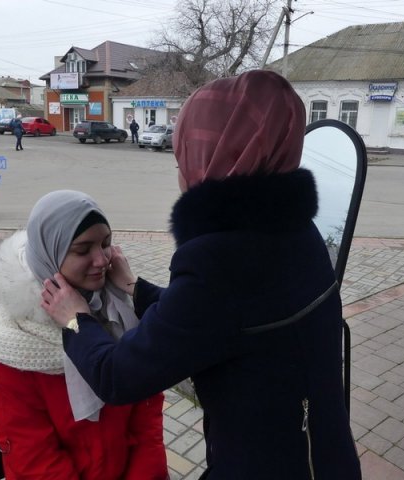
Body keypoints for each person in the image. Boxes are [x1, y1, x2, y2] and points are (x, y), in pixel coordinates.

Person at [42, 70, 362, 479]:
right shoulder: (298, 232)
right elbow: (218, 323)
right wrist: (134, 287)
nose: (181, 172)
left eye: (184, 157)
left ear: (215, 158)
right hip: (324, 454)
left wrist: (75, 319)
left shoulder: (218, 262)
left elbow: (117, 376)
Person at [0, 190, 168, 480]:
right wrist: (80, 323)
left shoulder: (120, 313)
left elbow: (147, 416)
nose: (102, 260)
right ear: (49, 256)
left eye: (106, 243)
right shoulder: (13, 345)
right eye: (83, 250)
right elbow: (35, 463)